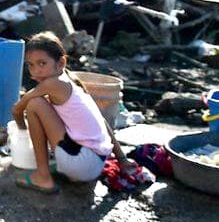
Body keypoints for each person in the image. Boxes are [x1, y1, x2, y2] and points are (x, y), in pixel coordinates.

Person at [11, 31, 130, 193]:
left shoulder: (53, 84)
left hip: (81, 164)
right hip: (95, 164)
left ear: (61, 63)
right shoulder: (72, 82)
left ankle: (43, 177)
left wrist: (22, 130)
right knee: (41, 104)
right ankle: (57, 168)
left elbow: (18, 109)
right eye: (30, 65)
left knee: (35, 104)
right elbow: (102, 122)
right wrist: (122, 159)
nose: (35, 71)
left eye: (42, 63)